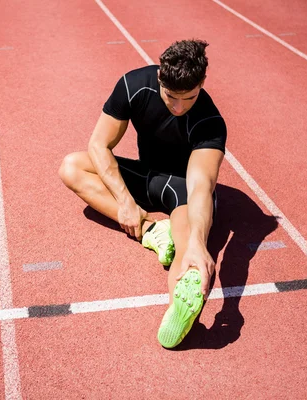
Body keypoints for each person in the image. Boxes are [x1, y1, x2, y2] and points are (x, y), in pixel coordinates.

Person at [58, 40, 226, 348]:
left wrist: (199, 244)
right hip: (146, 177)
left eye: (188, 97)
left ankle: (182, 305)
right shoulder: (135, 85)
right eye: (171, 97)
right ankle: (151, 231)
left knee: (189, 246)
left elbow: (201, 184)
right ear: (160, 77)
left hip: (183, 189)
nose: (178, 107)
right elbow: (98, 145)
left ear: (202, 83)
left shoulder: (210, 123)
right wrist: (125, 203)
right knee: (71, 167)